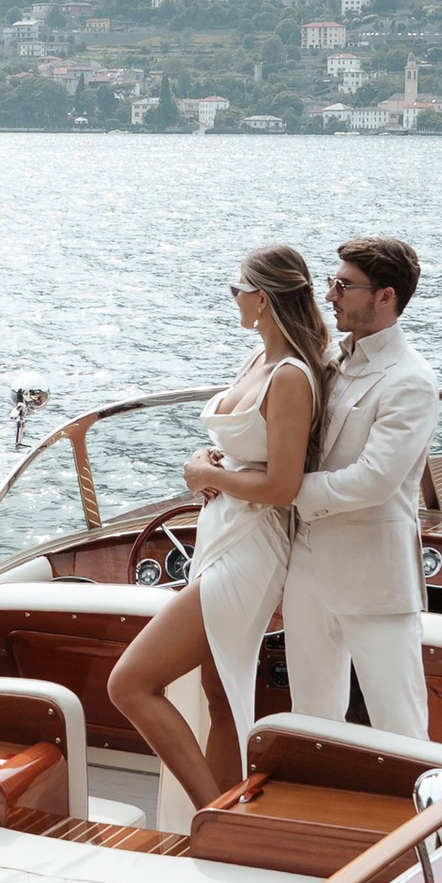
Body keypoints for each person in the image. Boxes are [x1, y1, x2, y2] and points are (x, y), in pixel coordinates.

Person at [110, 247, 332, 816]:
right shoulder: (259, 359)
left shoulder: (289, 376)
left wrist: (209, 475)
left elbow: (283, 486)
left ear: (263, 297)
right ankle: (231, 817)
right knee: (219, 693)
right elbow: (248, 448)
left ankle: (213, 818)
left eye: (237, 289)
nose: (232, 298)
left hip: (251, 545)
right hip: (222, 534)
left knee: (130, 684)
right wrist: (214, 459)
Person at [282, 235, 439, 741]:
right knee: (311, 717)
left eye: (344, 286)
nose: (331, 296)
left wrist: (280, 489)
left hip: (374, 577)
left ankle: (429, 822)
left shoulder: (410, 380)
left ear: (386, 296)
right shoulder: (329, 360)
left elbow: (374, 480)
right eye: (333, 283)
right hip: (306, 567)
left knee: (401, 724)